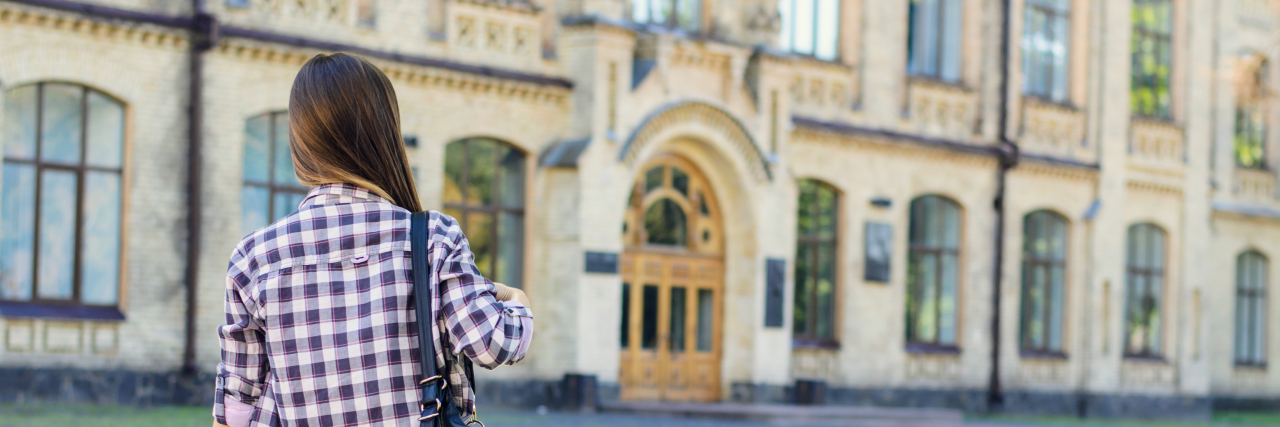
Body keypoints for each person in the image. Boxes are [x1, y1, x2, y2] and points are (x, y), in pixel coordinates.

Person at [212, 52, 533, 427]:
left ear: (301, 141)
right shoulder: (433, 239)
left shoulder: (254, 259)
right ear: (385, 136)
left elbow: (236, 411)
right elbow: (493, 344)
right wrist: (519, 304)